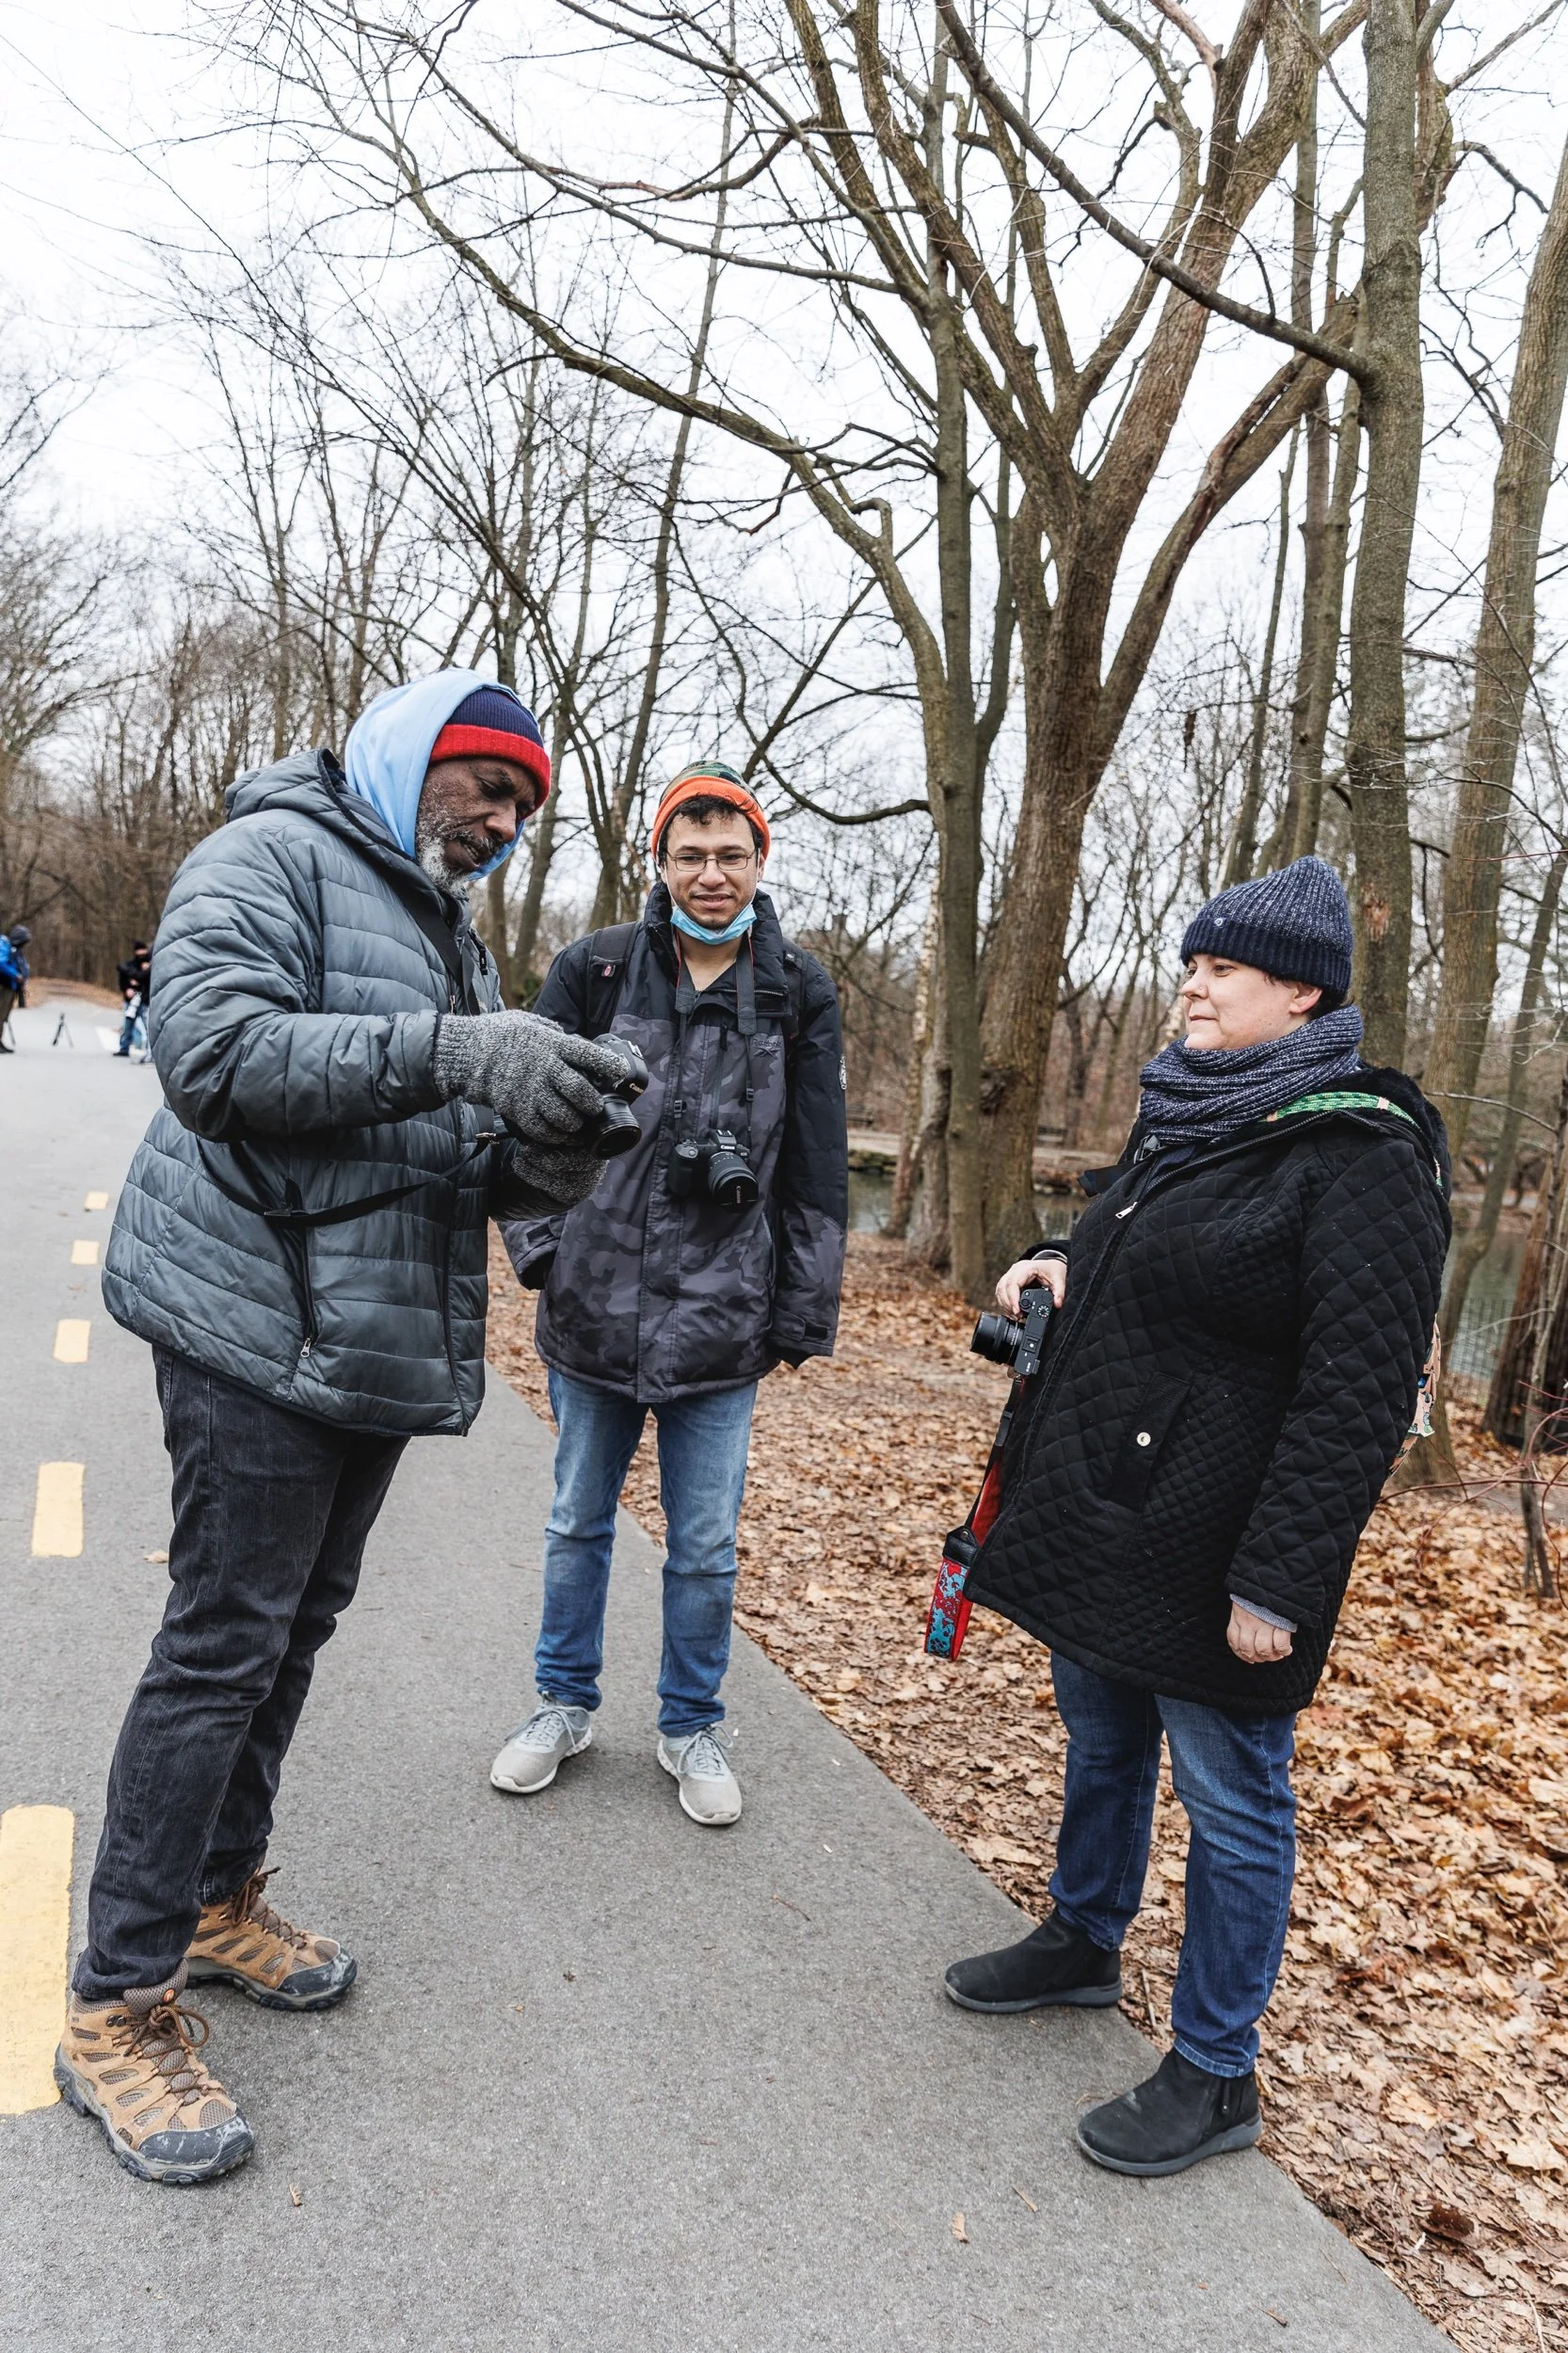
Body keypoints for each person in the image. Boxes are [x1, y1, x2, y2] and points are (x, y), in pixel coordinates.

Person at [56, 670, 632, 2187]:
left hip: (362, 1340)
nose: (501, 816)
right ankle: (115, 2003)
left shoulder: (450, 927)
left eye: (521, 803)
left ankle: (218, 1895)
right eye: (479, 782)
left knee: (291, 1633)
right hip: (248, 1315)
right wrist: (459, 1052)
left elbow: (449, 1163)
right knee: (221, 1643)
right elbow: (218, 1061)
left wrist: (559, 1151)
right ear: (402, 759)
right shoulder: (266, 856)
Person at [943, 856, 1449, 2177]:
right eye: (1192, 959)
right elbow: (1140, 1248)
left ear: (1301, 990)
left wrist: (1275, 1584)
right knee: (1099, 1737)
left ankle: (1217, 2072)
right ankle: (1081, 1938)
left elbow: (1354, 1397)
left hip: (1222, 1549)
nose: (1193, 981)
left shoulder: (1361, 1153)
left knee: (1233, 1803)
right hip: (1110, 1511)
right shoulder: (1190, 1113)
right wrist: (1063, 1255)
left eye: (1222, 966)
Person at [490, 763, 848, 1826]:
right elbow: (523, 1123)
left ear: (759, 861)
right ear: (660, 858)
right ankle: (561, 1704)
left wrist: (797, 1309)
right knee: (574, 1521)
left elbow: (816, 1163)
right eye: (689, 854)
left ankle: (691, 1724)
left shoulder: (798, 987)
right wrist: (543, 1251)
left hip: (721, 1319)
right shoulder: (595, 969)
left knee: (702, 1542)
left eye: (730, 854)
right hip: (592, 1302)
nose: (710, 873)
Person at [115, 938, 152, 1058]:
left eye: (143, 951)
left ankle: (148, 1050)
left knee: (147, 1027)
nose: (142, 954)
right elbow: (122, 971)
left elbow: (144, 979)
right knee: (127, 1024)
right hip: (131, 1000)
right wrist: (127, 989)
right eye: (139, 951)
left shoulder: (150, 966)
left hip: (144, 999)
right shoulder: (130, 965)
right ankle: (124, 1047)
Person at [0, 922, 30, 1048]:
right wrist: (15, 975)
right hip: (3, 985)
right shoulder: (5, 946)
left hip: (11, 987)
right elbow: (1, 963)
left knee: (3, 1016)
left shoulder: (15, 949)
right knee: (0, 1014)